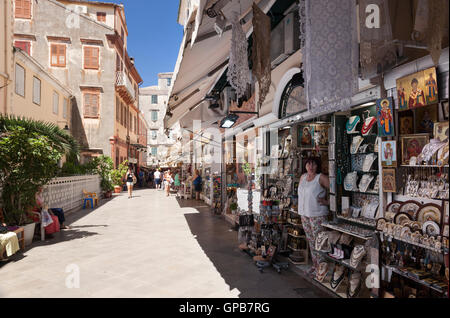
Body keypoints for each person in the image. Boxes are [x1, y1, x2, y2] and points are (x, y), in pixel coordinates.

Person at [297, 157, 330, 277]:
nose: (310, 167)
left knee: (320, 242)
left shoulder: (320, 178)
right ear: (305, 166)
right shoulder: (303, 177)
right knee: (311, 241)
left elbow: (336, 189)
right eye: (308, 164)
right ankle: (316, 266)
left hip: (317, 215)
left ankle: (322, 268)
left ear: (318, 166)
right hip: (304, 214)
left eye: (313, 165)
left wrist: (328, 202)